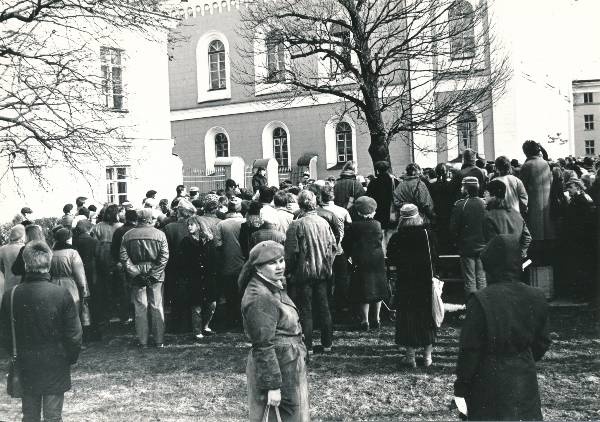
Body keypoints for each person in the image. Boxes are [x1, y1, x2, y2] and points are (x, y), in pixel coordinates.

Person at [454, 234, 551, 421]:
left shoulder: (481, 300)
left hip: (488, 380)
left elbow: (470, 350)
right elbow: (542, 341)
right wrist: (521, 357)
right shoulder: (537, 296)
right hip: (524, 378)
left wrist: (462, 387)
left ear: (489, 265)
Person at [0, 240, 82, 422]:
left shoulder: (11, 295)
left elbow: (3, 334)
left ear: (26, 263)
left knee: (29, 415)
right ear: (49, 262)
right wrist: (70, 358)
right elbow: (74, 334)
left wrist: (14, 353)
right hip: (55, 361)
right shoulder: (61, 294)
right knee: (53, 416)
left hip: (24, 362)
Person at [239, 241, 309, 422]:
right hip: (279, 366)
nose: (279, 266)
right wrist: (273, 386)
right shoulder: (260, 296)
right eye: (272, 263)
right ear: (257, 268)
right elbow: (263, 344)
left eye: (281, 260)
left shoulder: (271, 285)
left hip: (287, 364)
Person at [285, 190, 337, 353]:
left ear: (300, 205)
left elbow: (291, 252)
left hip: (303, 272)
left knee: (305, 309)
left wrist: (289, 271)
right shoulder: (324, 222)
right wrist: (328, 264)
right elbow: (334, 247)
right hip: (322, 271)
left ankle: (308, 346)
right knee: (324, 307)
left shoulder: (296, 225)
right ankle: (327, 344)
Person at [387, 204, 438, 368]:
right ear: (418, 216)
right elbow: (436, 258)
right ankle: (428, 356)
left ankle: (410, 356)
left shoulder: (397, 237)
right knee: (427, 317)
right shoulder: (428, 235)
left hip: (406, 282)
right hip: (425, 282)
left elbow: (391, 259)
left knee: (408, 318)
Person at [120, 209, 169, 348]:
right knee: (157, 306)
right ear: (149, 219)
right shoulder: (160, 234)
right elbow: (164, 257)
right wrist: (154, 275)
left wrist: (135, 273)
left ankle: (143, 341)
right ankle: (159, 340)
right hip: (156, 273)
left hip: (136, 272)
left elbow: (124, 257)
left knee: (140, 307)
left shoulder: (128, 235)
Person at [341, 196, 388, 330]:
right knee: (378, 287)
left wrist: (350, 255)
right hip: (377, 259)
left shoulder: (354, 226)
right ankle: (377, 318)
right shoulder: (377, 224)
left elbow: (347, 243)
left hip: (361, 258)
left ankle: (365, 320)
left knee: (363, 289)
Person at [180, 215, 218, 339]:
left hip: (208, 276)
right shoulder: (186, 241)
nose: (189, 227)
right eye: (188, 225)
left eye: (192, 224)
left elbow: (213, 258)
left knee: (211, 304)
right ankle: (197, 331)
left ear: (199, 226)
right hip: (194, 277)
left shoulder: (208, 240)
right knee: (196, 306)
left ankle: (205, 326)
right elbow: (184, 260)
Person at [450, 176, 487, 298]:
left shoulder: (460, 205)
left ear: (466, 189)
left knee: (470, 281)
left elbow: (453, 228)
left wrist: (457, 242)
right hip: (483, 247)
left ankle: (472, 309)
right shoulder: (485, 204)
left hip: (467, 248)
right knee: (482, 279)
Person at [519, 140, 556, 262]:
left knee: (534, 241)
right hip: (547, 206)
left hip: (532, 208)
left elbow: (521, 189)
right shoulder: (545, 164)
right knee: (545, 237)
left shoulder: (527, 166)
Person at [91, 204, 123, 325]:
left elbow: (94, 241)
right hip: (116, 254)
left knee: (106, 284)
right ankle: (118, 311)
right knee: (118, 283)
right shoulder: (120, 226)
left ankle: (108, 311)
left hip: (103, 255)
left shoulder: (98, 226)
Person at [484, 179, 531, 259]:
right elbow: (527, 237)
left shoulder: (489, 216)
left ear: (493, 196)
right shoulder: (516, 214)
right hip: (514, 262)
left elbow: (491, 243)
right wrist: (521, 254)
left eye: (486, 193)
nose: (484, 195)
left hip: (497, 264)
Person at [50, 228, 90, 316]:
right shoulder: (72, 253)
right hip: (70, 285)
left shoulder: (51, 253)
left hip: (54, 284)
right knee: (72, 313)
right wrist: (84, 291)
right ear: (68, 239)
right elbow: (80, 275)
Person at [366, 161, 400, 250]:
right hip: (391, 212)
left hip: (378, 212)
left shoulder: (373, 182)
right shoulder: (395, 181)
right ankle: (390, 255)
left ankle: (382, 255)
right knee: (390, 235)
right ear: (388, 169)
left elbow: (367, 196)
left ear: (377, 170)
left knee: (379, 236)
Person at [0, 225, 25, 299]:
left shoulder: (2, 249)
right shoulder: (24, 248)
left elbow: (1, 266)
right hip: (21, 282)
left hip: (8, 282)